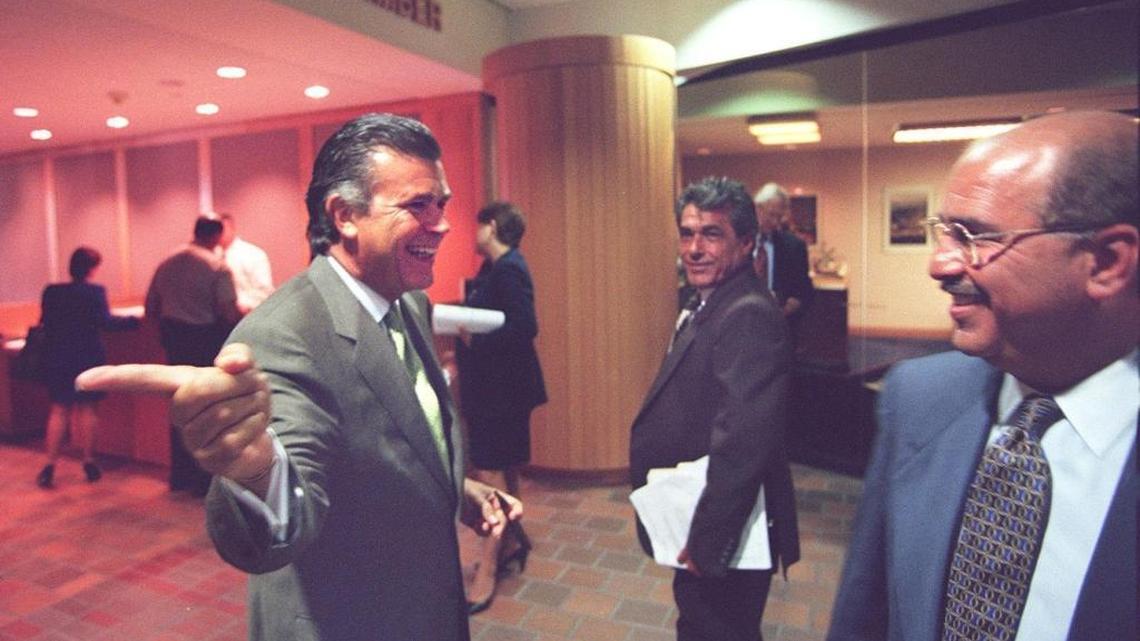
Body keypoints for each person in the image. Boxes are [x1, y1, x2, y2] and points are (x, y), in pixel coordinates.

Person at [79, 113, 519, 641]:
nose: (443, 223)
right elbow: (278, 529)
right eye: (417, 205)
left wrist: (449, 487)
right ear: (344, 215)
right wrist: (258, 471)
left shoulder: (408, 305)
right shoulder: (281, 336)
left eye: (442, 204)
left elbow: (388, 441)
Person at [827, 111, 1137, 641]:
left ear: (1107, 262)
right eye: (944, 232)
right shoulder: (917, 398)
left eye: (976, 237)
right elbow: (867, 611)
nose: (940, 265)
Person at [629, 176, 800, 641]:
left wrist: (707, 545)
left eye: (712, 234)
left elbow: (743, 445)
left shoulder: (747, 312)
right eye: (687, 233)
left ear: (745, 243)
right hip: (697, 511)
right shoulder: (709, 300)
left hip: (726, 532)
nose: (695, 248)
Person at [454, 201, 547, 614]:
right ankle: (509, 542)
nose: (473, 233)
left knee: (491, 471)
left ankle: (488, 567)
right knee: (503, 467)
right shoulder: (495, 268)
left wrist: (476, 339)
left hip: (502, 392)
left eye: (478, 226)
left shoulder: (510, 267)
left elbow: (525, 326)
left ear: (491, 227)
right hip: (494, 389)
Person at [145, 215, 241, 495]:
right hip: (204, 340)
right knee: (207, 409)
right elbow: (228, 310)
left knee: (179, 405)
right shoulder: (216, 266)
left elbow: (151, 305)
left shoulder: (167, 262)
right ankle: (204, 480)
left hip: (174, 339)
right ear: (216, 236)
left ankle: (180, 474)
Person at [34, 247, 139, 488]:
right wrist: (133, 321)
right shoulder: (94, 292)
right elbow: (105, 322)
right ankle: (89, 461)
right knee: (88, 409)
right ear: (92, 269)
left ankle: (49, 466)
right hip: (86, 356)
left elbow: (44, 321)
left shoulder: (52, 291)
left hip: (58, 356)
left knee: (59, 409)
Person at [753, 183, 814, 323]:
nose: (775, 222)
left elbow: (805, 291)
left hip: (780, 325)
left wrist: (792, 305)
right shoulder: (739, 244)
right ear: (757, 209)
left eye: (779, 217)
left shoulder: (794, 246)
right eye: (771, 215)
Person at [214, 211, 274, 314]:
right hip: (217, 318)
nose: (218, 233)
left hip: (246, 315)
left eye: (222, 229)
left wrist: (242, 307)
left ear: (232, 229)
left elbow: (264, 290)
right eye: (215, 230)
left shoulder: (252, 254)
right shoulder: (211, 256)